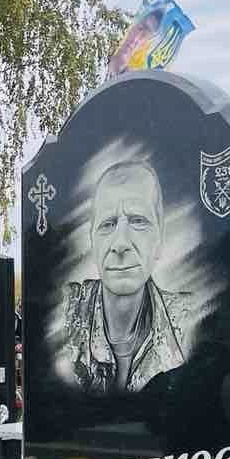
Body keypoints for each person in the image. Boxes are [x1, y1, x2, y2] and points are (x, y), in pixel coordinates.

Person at [64, 160, 190, 396]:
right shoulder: (65, 317)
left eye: (138, 221)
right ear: (92, 241)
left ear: (160, 237)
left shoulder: (190, 322)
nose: (120, 243)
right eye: (108, 224)